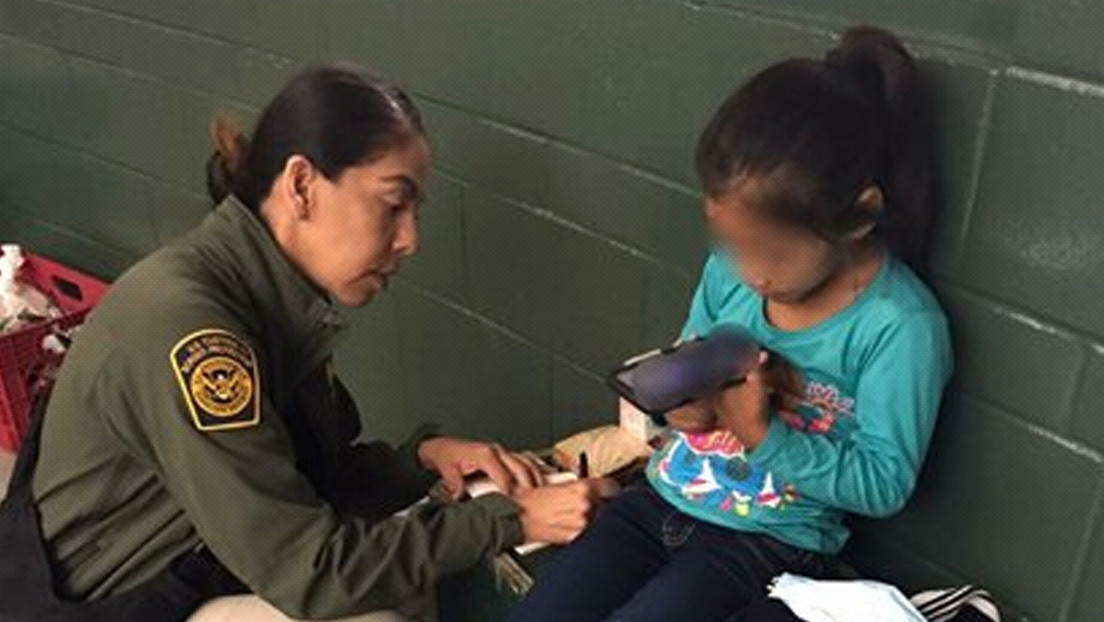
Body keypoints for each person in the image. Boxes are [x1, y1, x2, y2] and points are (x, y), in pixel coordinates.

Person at [0, 64, 618, 622]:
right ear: (301, 186)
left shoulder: (266, 292)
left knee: (405, 579)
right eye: (393, 204)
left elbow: (300, 487)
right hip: (109, 609)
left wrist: (421, 459)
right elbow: (311, 571)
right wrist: (509, 521)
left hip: (190, 569)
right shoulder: (193, 330)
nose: (410, 239)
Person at [507, 26, 953, 622]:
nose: (750, 274)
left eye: (770, 253)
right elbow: (690, 363)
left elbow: (884, 484)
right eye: (733, 246)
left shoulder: (900, 326)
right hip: (658, 501)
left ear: (858, 216)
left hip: (766, 542)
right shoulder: (729, 274)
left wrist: (763, 436)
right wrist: (681, 410)